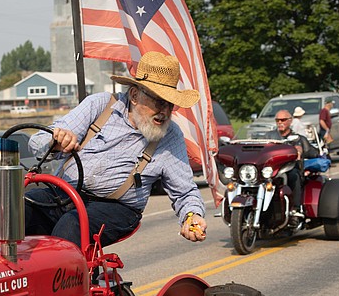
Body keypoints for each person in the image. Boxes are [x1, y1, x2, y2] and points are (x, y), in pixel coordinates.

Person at [25, 51, 207, 247]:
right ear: (135, 95)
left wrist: (191, 215)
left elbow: (185, 191)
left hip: (116, 207)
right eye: (158, 101)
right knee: (11, 210)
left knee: (72, 223)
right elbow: (37, 143)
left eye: (170, 104)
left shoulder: (170, 136)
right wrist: (56, 141)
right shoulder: (101, 105)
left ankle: (61, 277)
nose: (164, 111)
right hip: (65, 193)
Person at [272, 109, 305, 219]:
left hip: (288, 167)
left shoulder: (295, 137)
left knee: (293, 175)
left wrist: (298, 152)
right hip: (271, 168)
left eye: (283, 120)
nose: (280, 122)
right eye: (277, 120)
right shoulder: (270, 136)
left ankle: (295, 208)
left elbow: (298, 148)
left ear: (290, 121)